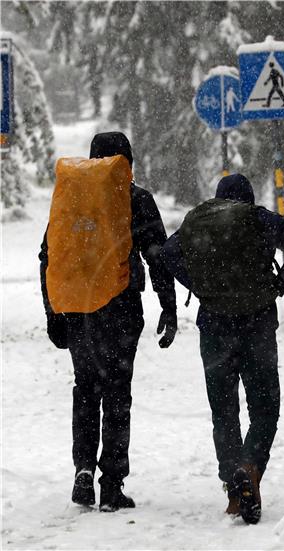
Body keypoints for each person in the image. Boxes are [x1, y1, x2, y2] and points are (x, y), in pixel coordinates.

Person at [160, 173, 284, 524]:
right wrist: (278, 283)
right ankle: (250, 468)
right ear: (248, 197)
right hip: (256, 324)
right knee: (264, 408)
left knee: (224, 411)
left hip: (213, 326)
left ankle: (233, 489)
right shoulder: (258, 219)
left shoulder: (201, 223)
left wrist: (199, 285)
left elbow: (167, 254)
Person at [40, 132, 177, 511]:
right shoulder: (137, 198)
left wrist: (53, 313)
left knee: (86, 388)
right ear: (127, 162)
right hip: (121, 309)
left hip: (79, 310)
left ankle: (82, 470)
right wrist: (169, 306)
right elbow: (157, 255)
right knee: (117, 392)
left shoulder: (72, 199)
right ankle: (112, 484)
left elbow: (48, 255)